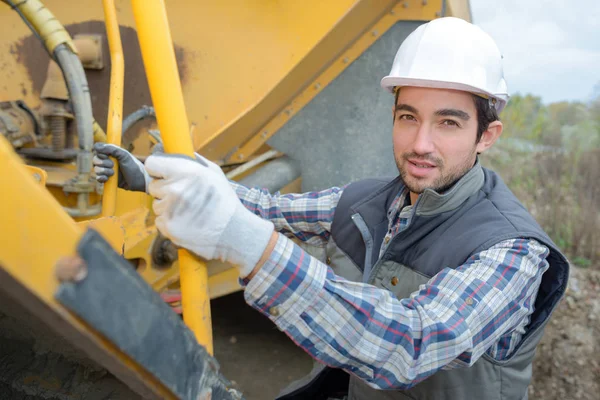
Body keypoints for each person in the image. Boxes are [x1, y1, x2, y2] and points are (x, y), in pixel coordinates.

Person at [93, 17, 569, 400]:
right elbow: (266, 208)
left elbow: (410, 344)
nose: (420, 143)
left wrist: (246, 243)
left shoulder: (511, 252)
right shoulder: (369, 200)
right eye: (408, 117)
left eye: (448, 122)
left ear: (487, 135)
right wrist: (155, 175)